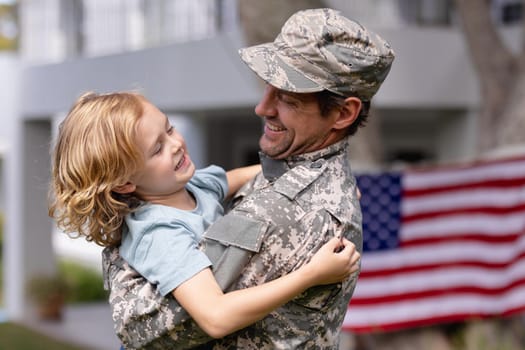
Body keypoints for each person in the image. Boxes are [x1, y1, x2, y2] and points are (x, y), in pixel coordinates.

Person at [103, 7, 395, 349]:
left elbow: (145, 331)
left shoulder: (286, 212)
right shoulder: (297, 175)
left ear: (343, 113)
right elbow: (227, 182)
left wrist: (117, 256)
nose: (263, 107)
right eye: (268, 87)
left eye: (287, 98)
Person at [49, 91, 360, 343]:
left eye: (169, 128)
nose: (176, 144)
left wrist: (322, 185)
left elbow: (236, 177)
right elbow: (215, 317)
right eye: (157, 149)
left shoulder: (191, 185)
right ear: (126, 182)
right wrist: (312, 275)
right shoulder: (161, 234)